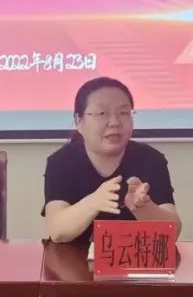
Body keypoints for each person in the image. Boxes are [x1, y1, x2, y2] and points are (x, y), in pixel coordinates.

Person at [43, 76, 181, 244]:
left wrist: (144, 207)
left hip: (132, 259)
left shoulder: (151, 160)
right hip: (73, 259)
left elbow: (172, 233)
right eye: (102, 113)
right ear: (79, 121)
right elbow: (57, 231)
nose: (115, 122)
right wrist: (94, 202)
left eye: (124, 113)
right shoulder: (62, 162)